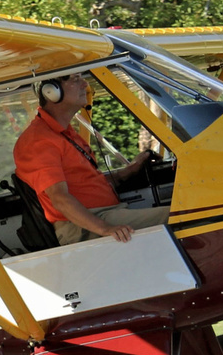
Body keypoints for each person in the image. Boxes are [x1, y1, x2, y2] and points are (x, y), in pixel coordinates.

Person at [13, 73, 168, 244]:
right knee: (185, 214)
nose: (84, 84)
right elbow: (59, 198)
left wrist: (129, 171)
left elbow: (86, 183)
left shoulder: (66, 134)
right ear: (51, 91)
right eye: (75, 79)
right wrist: (105, 229)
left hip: (105, 214)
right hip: (83, 225)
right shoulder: (39, 141)